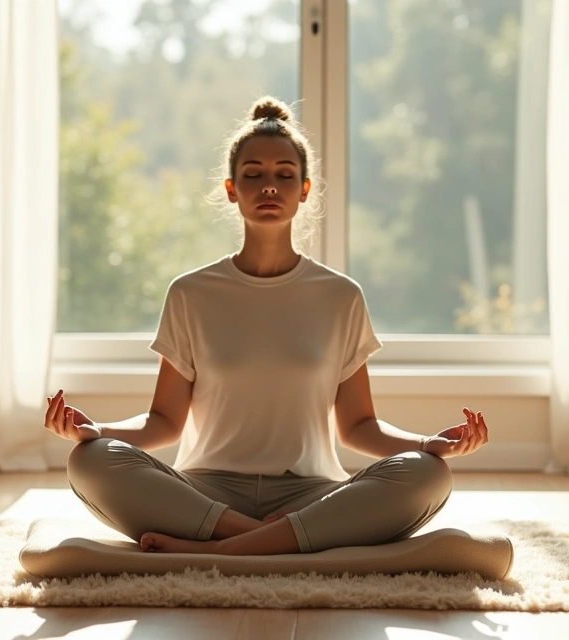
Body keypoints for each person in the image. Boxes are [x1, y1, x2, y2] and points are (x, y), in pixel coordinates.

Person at [43, 96, 489, 556]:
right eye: (253, 175)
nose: (269, 187)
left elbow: (357, 426)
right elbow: (164, 422)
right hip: (205, 495)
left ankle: (219, 551)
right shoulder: (191, 293)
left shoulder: (341, 296)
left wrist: (427, 443)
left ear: (305, 189)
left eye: (284, 175)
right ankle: (265, 542)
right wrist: (97, 431)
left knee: (428, 473)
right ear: (232, 189)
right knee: (90, 461)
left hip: (310, 495)